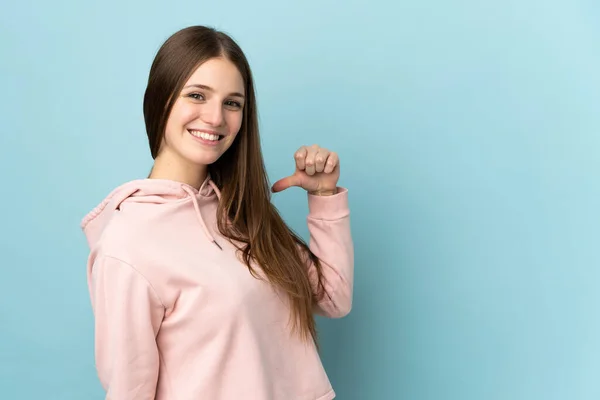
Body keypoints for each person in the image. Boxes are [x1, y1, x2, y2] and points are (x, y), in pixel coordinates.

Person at [81, 25, 354, 400]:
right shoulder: (128, 244)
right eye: (197, 95)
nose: (215, 118)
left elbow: (333, 298)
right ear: (161, 99)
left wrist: (324, 195)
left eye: (232, 103)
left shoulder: (240, 211)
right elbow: (130, 391)